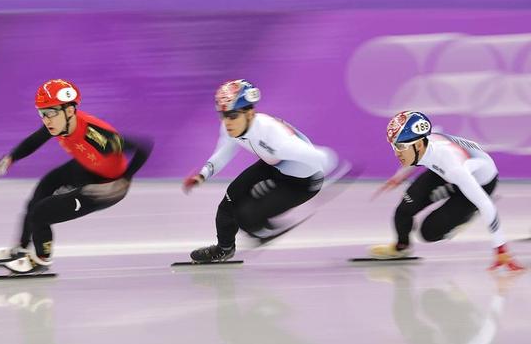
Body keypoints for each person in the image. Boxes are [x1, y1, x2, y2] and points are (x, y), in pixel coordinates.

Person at [0, 79, 152, 274]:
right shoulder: (59, 123)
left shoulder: (96, 135)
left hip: (106, 187)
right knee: (41, 191)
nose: (46, 120)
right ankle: (20, 250)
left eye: (50, 113)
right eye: (42, 113)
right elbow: (35, 140)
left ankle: (41, 260)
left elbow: (143, 147)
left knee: (41, 213)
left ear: (70, 111)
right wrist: (11, 158)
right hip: (85, 168)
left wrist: (125, 179)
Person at [183, 79, 339, 263]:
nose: (227, 122)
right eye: (223, 115)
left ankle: (263, 228)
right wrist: (202, 175)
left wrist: (337, 174)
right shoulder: (231, 127)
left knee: (246, 216)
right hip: (274, 165)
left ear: (250, 113)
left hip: (302, 182)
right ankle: (224, 248)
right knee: (229, 201)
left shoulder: (272, 135)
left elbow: (322, 157)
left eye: (232, 115)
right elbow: (222, 153)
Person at [371, 110, 523, 271]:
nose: (396, 153)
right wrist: (399, 177)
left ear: (419, 144)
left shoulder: (453, 167)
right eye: (394, 146)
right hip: (446, 170)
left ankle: (467, 215)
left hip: (479, 182)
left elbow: (485, 203)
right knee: (404, 210)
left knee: (428, 233)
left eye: (401, 147)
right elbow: (429, 138)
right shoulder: (423, 143)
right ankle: (401, 247)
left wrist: (500, 248)